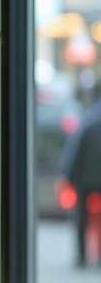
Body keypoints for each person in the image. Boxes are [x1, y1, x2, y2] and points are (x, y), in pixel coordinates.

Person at [60, 93, 101, 267]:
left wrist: (69, 176)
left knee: (82, 217)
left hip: (85, 180)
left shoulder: (88, 123)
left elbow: (76, 153)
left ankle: (82, 255)